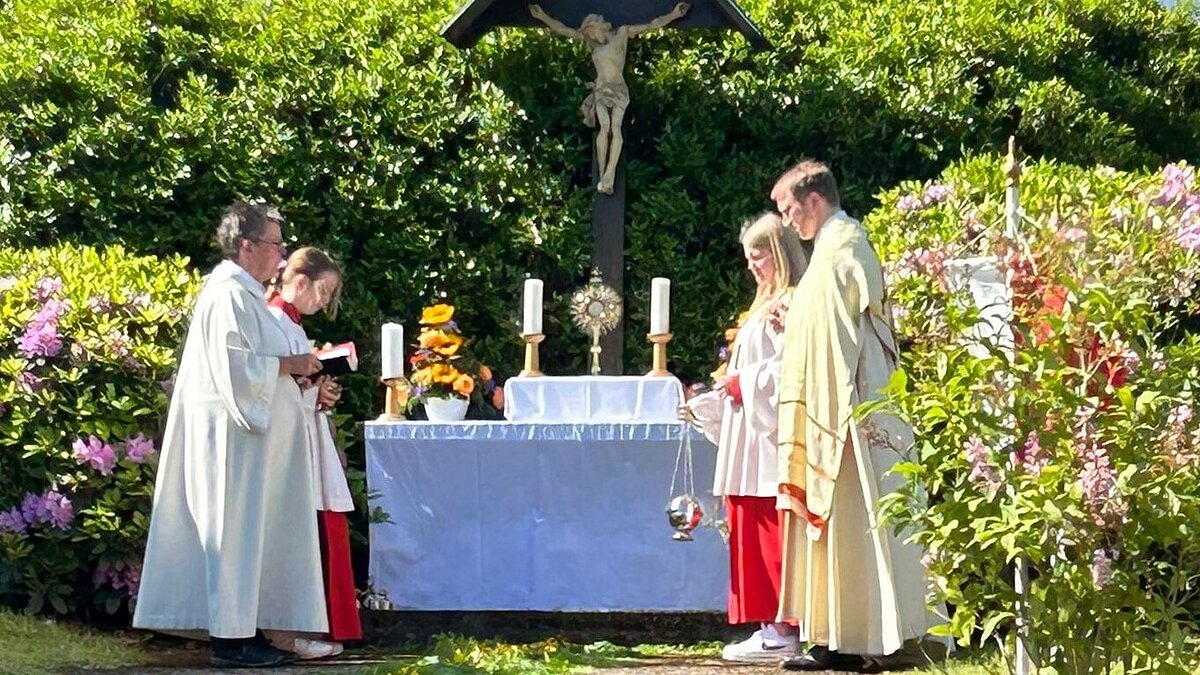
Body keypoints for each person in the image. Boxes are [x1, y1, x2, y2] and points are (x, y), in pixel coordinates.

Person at [132, 202, 328, 668]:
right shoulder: (227, 294)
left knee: (248, 535)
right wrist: (291, 365)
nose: (282, 257)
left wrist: (301, 372)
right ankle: (230, 638)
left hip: (251, 441)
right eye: (276, 245)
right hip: (230, 441)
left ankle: (246, 628)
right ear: (247, 246)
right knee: (231, 531)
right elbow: (237, 369)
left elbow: (259, 361)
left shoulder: (246, 295)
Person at [769, 161, 934, 671]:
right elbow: (820, 321)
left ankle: (871, 640)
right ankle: (832, 638)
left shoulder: (848, 245)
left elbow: (865, 323)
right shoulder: (824, 254)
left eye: (789, 209)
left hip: (852, 411)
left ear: (814, 200)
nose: (787, 221)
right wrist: (791, 316)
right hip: (827, 410)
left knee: (863, 523)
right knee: (832, 531)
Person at [684, 213, 808, 663]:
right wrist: (713, 400)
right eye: (748, 259)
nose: (752, 267)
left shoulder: (790, 304)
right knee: (749, 526)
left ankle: (782, 628)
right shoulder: (764, 305)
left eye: (758, 257)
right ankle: (767, 625)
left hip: (769, 443)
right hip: (750, 440)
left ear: (778, 254)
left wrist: (740, 386)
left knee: (771, 531)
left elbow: (791, 371)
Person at [266, 247, 361, 659]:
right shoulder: (272, 319)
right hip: (283, 445)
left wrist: (318, 389)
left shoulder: (291, 323)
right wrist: (308, 387)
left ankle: (308, 626)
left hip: (302, 434)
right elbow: (266, 386)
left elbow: (293, 382)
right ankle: (287, 631)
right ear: (299, 281)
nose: (324, 302)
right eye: (322, 291)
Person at [529, 3, 690, 194]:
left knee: (615, 128)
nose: (589, 37)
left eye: (590, 32)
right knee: (604, 128)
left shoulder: (621, 34)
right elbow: (564, 30)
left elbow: (651, 25)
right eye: (587, 34)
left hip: (619, 90)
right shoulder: (592, 44)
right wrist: (542, 17)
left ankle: (609, 175)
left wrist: (673, 15)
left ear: (598, 26)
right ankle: (603, 172)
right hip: (601, 90)